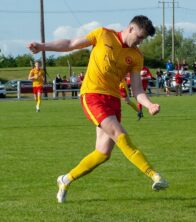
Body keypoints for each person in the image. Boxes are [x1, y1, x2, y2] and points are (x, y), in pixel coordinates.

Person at [27, 15, 168, 203]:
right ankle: (155, 176)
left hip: (113, 100)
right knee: (121, 135)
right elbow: (70, 43)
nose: (140, 42)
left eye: (143, 40)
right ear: (131, 28)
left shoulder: (136, 56)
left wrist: (149, 105)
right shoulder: (103, 34)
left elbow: (137, 89)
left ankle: (65, 179)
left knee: (103, 153)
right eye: (139, 37)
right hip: (92, 95)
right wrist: (42, 46)